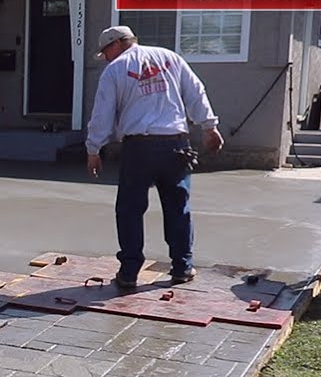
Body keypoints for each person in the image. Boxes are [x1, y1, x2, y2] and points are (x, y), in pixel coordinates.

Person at [85, 25, 224, 289]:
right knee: (178, 207)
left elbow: (102, 114)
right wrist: (209, 126)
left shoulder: (115, 70)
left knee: (130, 209)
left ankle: (129, 273)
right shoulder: (170, 57)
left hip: (139, 147)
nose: (106, 59)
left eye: (106, 53)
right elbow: (195, 91)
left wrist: (93, 149)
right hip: (176, 145)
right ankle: (182, 267)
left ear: (116, 44)